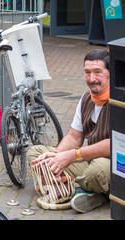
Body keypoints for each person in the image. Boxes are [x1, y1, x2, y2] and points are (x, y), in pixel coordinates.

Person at [27, 49, 110, 213]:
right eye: (87, 72)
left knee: (97, 172)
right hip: (88, 159)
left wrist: (72, 155)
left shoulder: (120, 100)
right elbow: (74, 135)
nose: (92, 79)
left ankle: (72, 187)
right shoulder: (86, 98)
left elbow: (114, 145)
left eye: (98, 72)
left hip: (114, 163)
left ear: (111, 74)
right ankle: (91, 192)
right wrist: (57, 156)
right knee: (36, 154)